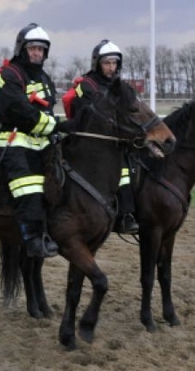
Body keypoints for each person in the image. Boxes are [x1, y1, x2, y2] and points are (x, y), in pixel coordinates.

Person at [0, 23, 60, 258]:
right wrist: (53, 126)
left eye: (41, 49)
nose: (37, 53)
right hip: (15, 141)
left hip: (42, 142)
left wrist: (56, 128)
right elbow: (20, 111)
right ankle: (32, 239)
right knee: (28, 186)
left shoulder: (44, 78)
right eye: (33, 48)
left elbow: (48, 109)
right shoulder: (9, 76)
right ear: (22, 48)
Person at [70, 39, 139, 234]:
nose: (111, 67)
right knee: (123, 172)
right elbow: (86, 117)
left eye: (114, 63)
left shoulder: (122, 87)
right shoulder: (86, 86)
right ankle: (125, 216)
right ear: (97, 64)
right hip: (92, 143)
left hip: (120, 142)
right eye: (107, 63)